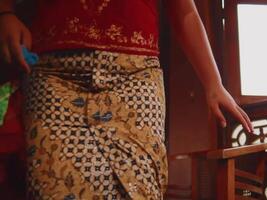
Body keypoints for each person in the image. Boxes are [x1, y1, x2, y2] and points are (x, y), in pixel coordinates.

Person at [0, 0, 253, 199]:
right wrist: (5, 12)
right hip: (54, 78)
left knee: (140, 189)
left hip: (135, 79)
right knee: (51, 189)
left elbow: (185, 12)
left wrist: (213, 83)